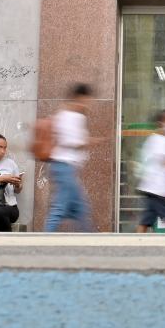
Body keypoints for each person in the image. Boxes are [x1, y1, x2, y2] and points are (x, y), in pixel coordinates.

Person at [45, 82, 94, 232]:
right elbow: (67, 141)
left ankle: (88, 242)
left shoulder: (72, 115)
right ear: (79, 98)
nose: (88, 104)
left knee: (80, 209)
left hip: (67, 167)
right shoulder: (68, 115)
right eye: (87, 99)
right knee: (61, 208)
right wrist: (88, 141)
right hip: (62, 166)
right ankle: (45, 242)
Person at [136, 108, 165, 233]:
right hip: (158, 189)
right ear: (161, 123)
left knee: (146, 219)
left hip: (151, 187)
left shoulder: (154, 139)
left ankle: (136, 243)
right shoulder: (162, 140)